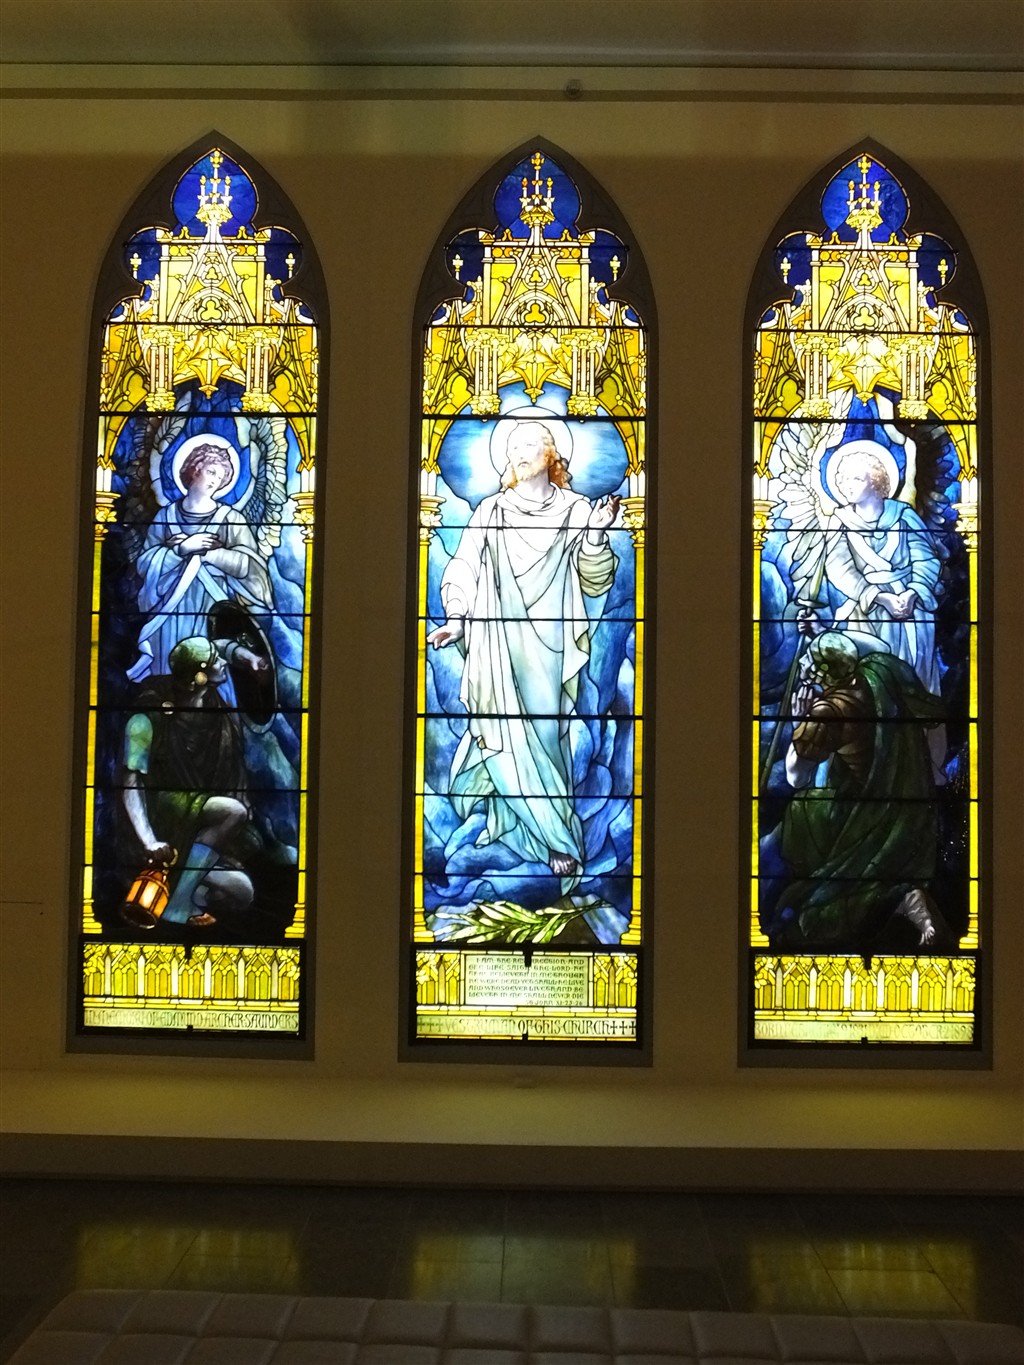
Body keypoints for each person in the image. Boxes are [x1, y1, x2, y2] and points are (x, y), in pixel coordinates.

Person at [427, 419, 619, 888]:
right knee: (502, 733)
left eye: (530, 444)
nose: (519, 451)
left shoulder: (576, 510)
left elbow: (595, 579)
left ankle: (551, 832)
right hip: (496, 646)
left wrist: (596, 535)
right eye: (513, 445)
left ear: (552, 455)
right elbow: (465, 565)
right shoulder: (491, 510)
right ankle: (543, 837)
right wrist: (457, 617)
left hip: (551, 648)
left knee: (545, 740)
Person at [771, 631, 951, 952]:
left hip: (862, 813)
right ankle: (909, 900)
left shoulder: (828, 712)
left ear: (823, 673)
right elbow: (875, 645)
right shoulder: (879, 673)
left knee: (801, 811)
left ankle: (829, 885)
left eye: (810, 659)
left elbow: (796, 778)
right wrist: (821, 632)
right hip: (909, 805)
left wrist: (800, 721)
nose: (803, 661)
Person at [120, 635, 263, 931]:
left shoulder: (215, 709)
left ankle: (180, 885)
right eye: (215, 660)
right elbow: (131, 783)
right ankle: (178, 905)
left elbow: (222, 649)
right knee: (232, 812)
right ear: (199, 677)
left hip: (197, 814)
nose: (222, 662)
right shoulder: (147, 718)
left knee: (241, 892)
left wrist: (247, 657)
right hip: (161, 813)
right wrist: (149, 841)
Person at [127, 441, 273, 683]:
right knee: (171, 677)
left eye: (222, 477)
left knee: (214, 674)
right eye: (211, 471)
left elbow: (251, 566)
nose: (216, 480)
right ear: (194, 469)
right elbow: (144, 564)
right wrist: (181, 550)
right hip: (169, 611)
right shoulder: (166, 517)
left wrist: (208, 554)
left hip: (212, 610)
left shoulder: (231, 518)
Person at [812, 442, 942, 695]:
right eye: (843, 479)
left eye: (856, 478)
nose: (847, 485)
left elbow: (926, 559)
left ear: (876, 481)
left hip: (910, 612)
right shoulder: (840, 522)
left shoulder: (903, 516)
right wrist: (879, 597)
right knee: (870, 683)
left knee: (913, 685)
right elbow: (839, 568)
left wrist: (911, 593)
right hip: (866, 612)